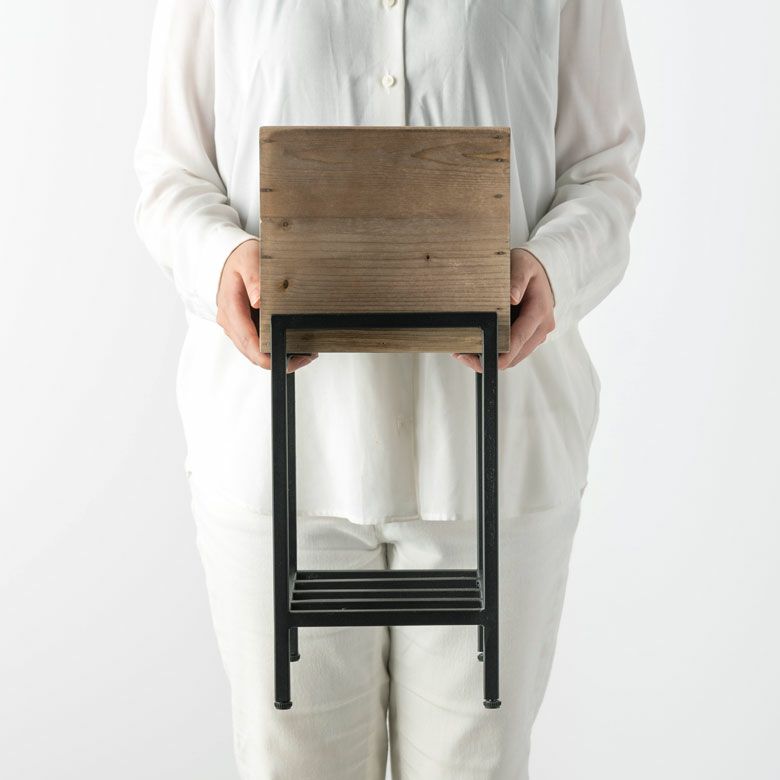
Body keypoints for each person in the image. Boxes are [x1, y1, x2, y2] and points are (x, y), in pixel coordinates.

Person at [132, 0, 644, 777]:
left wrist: (552, 269)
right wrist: (222, 261)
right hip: (278, 461)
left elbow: (603, 170)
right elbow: (173, 172)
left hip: (494, 462)